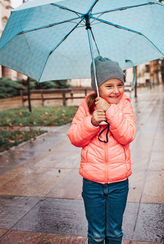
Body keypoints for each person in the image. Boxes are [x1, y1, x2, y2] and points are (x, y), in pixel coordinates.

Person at [67, 56, 136, 244]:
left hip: (119, 182)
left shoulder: (124, 104)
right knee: (96, 233)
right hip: (92, 182)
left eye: (119, 85)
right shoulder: (87, 106)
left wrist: (111, 112)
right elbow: (74, 137)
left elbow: (127, 135)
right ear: (97, 87)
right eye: (109, 86)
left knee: (114, 232)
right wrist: (91, 122)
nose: (116, 91)